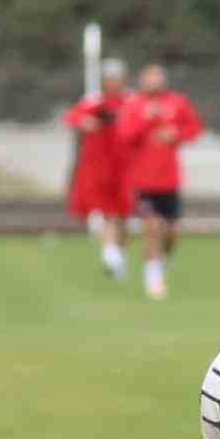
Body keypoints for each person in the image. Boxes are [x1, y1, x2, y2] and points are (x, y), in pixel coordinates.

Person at [119, 63, 203, 300]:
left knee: (171, 234)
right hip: (143, 182)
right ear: (142, 80)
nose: (155, 81)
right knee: (151, 228)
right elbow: (125, 135)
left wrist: (175, 133)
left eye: (159, 76)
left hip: (169, 181)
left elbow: (194, 128)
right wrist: (145, 120)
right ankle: (153, 280)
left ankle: (158, 261)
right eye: (150, 77)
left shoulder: (177, 102)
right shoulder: (133, 105)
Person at [63, 59, 132, 278]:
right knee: (105, 213)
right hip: (98, 168)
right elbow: (73, 116)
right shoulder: (94, 101)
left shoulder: (131, 101)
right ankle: (111, 254)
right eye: (109, 78)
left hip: (125, 169)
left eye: (117, 77)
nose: (113, 82)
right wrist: (85, 121)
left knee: (122, 217)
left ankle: (118, 255)